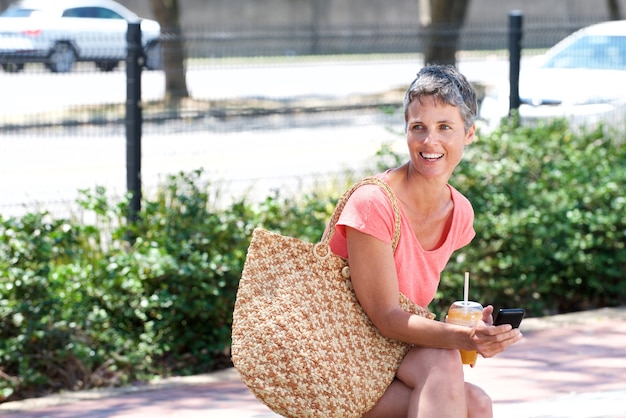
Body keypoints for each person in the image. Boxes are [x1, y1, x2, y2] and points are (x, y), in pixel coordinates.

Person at [327, 65, 523, 417]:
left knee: (479, 403)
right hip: (339, 361)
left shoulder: (459, 212)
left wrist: (473, 329)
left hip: (390, 355)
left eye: (444, 127)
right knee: (457, 380)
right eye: (418, 127)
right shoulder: (374, 203)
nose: (429, 141)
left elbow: (409, 304)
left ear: (469, 133)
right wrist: (461, 338)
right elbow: (387, 317)